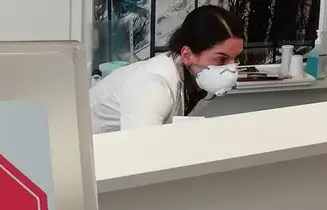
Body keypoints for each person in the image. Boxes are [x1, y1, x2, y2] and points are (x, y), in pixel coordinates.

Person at [89, 5, 245, 133]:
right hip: (90, 149)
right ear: (187, 55)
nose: (231, 70)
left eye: (236, 59)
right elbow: (140, 152)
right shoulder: (151, 85)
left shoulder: (197, 84)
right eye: (221, 59)